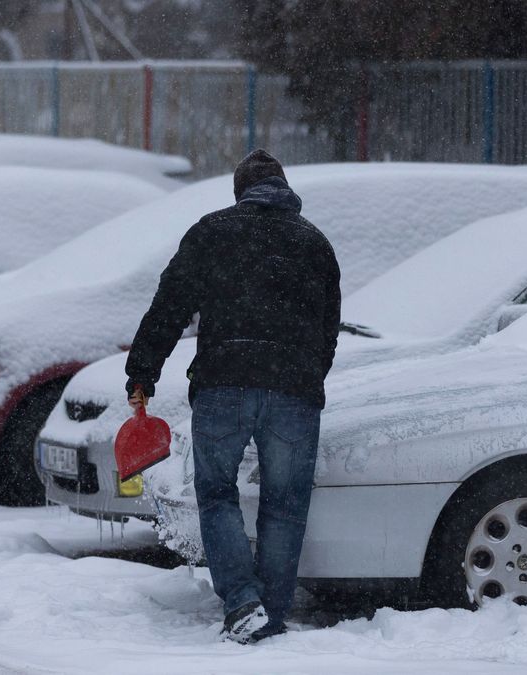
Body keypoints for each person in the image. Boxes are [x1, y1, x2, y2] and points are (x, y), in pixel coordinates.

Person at [124, 149, 341, 644]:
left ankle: (244, 603)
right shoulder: (314, 243)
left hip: (223, 382)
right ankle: (273, 611)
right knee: (285, 503)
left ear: (240, 191)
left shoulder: (212, 231)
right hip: (293, 391)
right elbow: (329, 328)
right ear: (285, 189)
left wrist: (143, 371)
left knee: (217, 493)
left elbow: (169, 304)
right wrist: (307, 377)